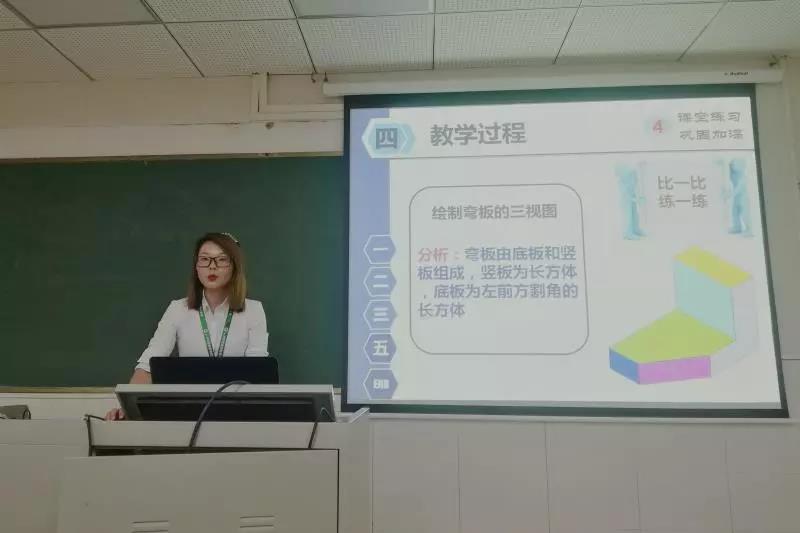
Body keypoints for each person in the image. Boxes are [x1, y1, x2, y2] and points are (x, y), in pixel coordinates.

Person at [105, 232, 268, 420]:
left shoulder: (254, 310)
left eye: (221, 260)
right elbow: (149, 363)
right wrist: (127, 408)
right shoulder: (177, 309)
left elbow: (258, 371)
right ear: (196, 267)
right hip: (186, 412)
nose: (212, 266)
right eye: (204, 259)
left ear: (234, 266)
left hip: (237, 411)